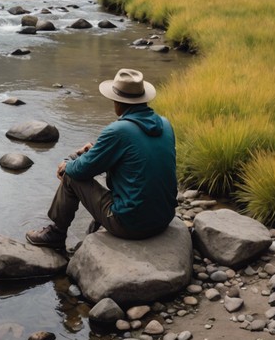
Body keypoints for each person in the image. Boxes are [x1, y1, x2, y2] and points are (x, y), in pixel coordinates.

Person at [25, 68, 177, 250]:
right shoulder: (165, 124)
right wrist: (97, 151)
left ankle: (56, 234)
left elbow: (80, 171)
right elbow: (136, 159)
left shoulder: (118, 130)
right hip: (164, 218)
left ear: (118, 102)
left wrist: (68, 163)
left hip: (132, 225)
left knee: (72, 176)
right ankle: (94, 227)